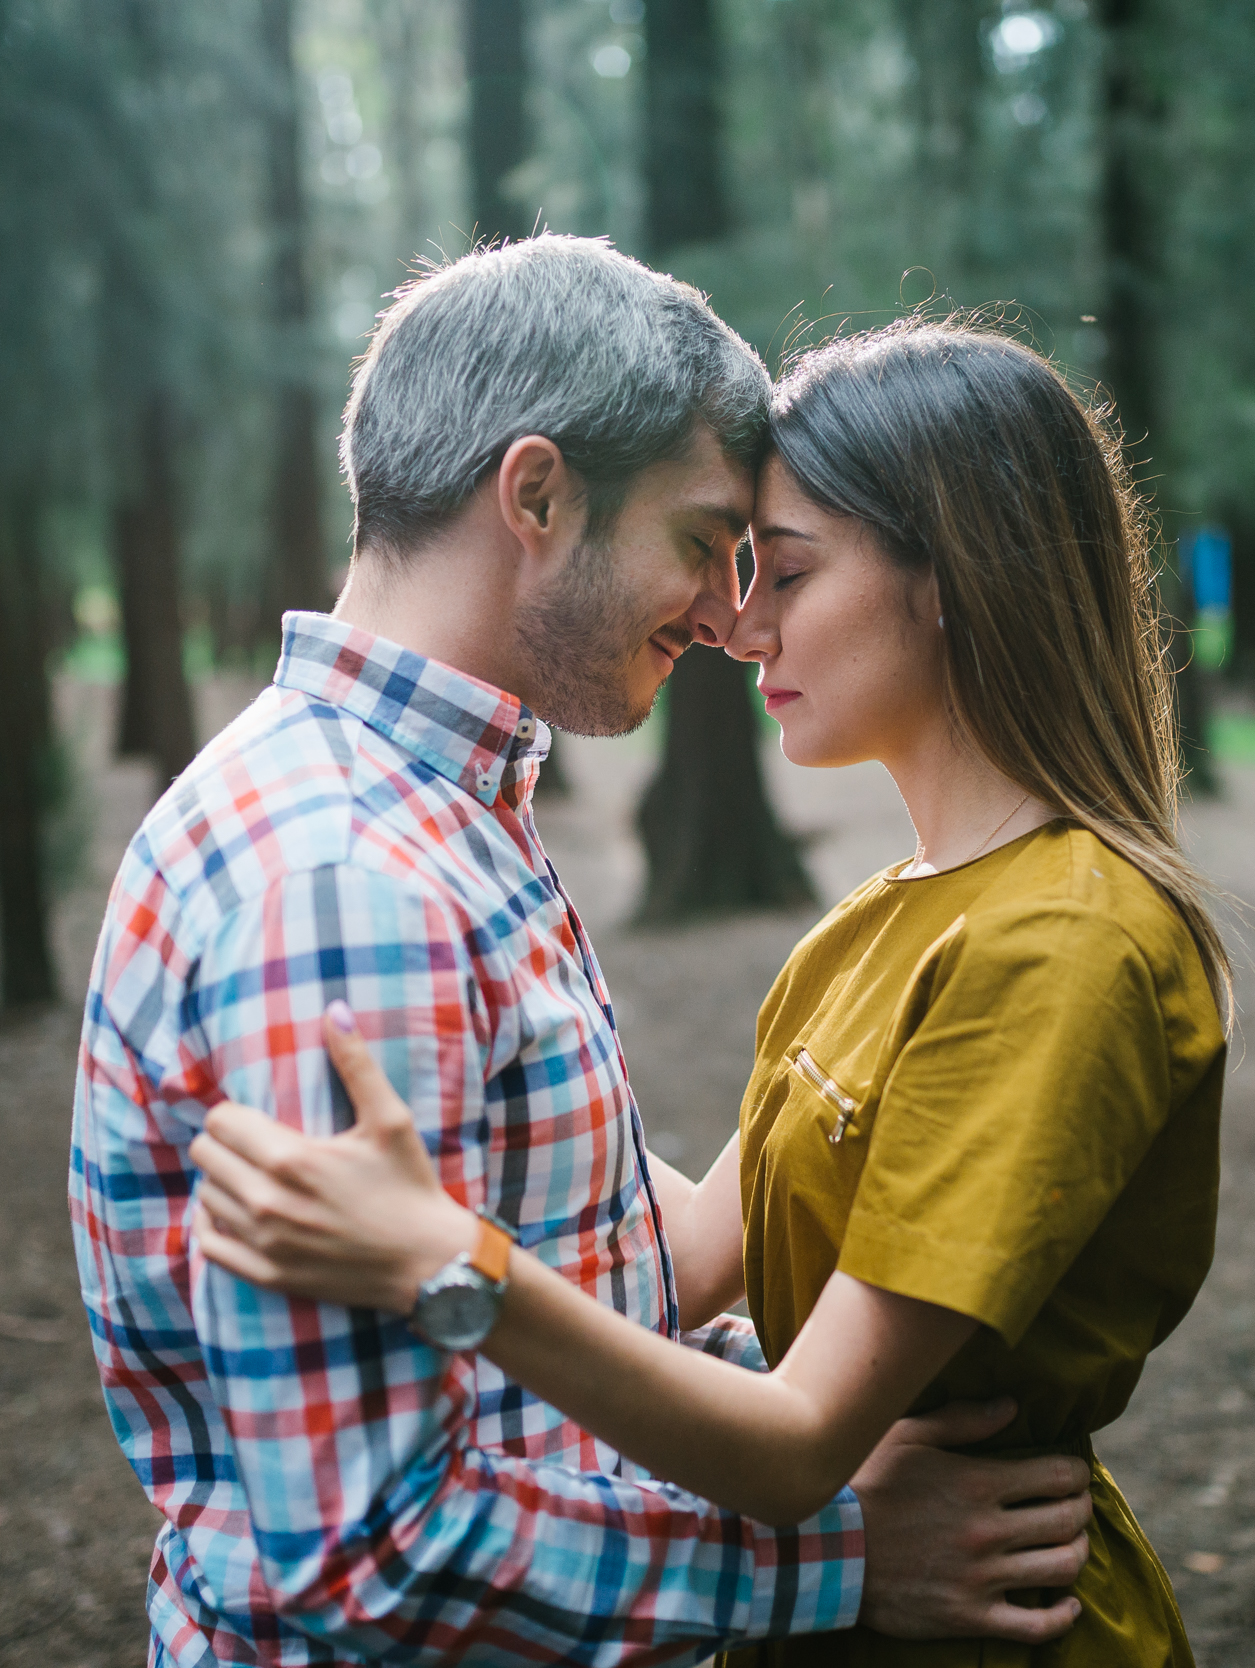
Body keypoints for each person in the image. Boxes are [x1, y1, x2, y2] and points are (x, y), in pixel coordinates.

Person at [68, 244, 1101, 1667]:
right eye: (701, 540)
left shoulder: (429, 816)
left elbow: (574, 1281)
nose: (723, 613)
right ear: (538, 496)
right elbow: (373, 1559)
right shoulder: (348, 887)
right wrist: (833, 1562)